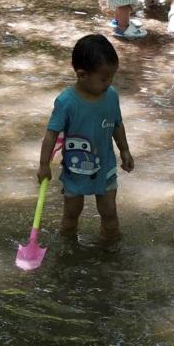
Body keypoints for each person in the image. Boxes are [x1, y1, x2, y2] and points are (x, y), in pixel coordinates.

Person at [37, 34, 134, 242]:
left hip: (105, 166)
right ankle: (68, 249)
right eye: (103, 78)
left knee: (109, 213)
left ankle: (111, 249)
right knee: (71, 214)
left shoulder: (111, 96)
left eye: (111, 77)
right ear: (81, 74)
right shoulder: (66, 102)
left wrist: (124, 150)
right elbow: (51, 134)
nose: (109, 83)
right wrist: (44, 164)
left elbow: (117, 124)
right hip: (75, 170)